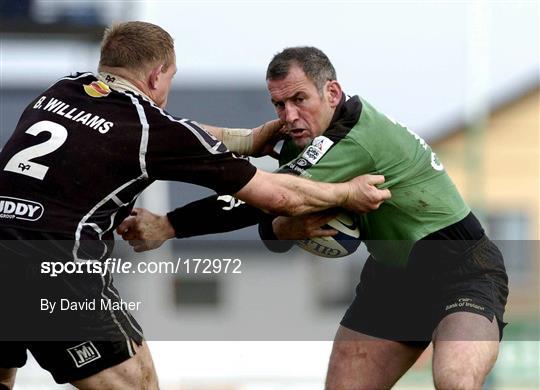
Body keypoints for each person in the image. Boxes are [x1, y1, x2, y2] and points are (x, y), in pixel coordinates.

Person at [0, 25, 391, 390]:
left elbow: (173, 131)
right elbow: (279, 197)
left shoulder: (63, 89)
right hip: (53, 267)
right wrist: (346, 194)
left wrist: (246, 139)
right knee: (139, 381)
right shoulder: (147, 128)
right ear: (156, 76)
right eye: (170, 78)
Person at [120, 47, 509, 389]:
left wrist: (168, 225)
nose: (289, 115)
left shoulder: (355, 139)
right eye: (279, 105)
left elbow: (263, 198)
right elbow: (275, 215)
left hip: (462, 270)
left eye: (299, 100)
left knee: (456, 380)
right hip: (392, 279)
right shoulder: (304, 142)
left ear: (332, 93)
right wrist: (278, 227)